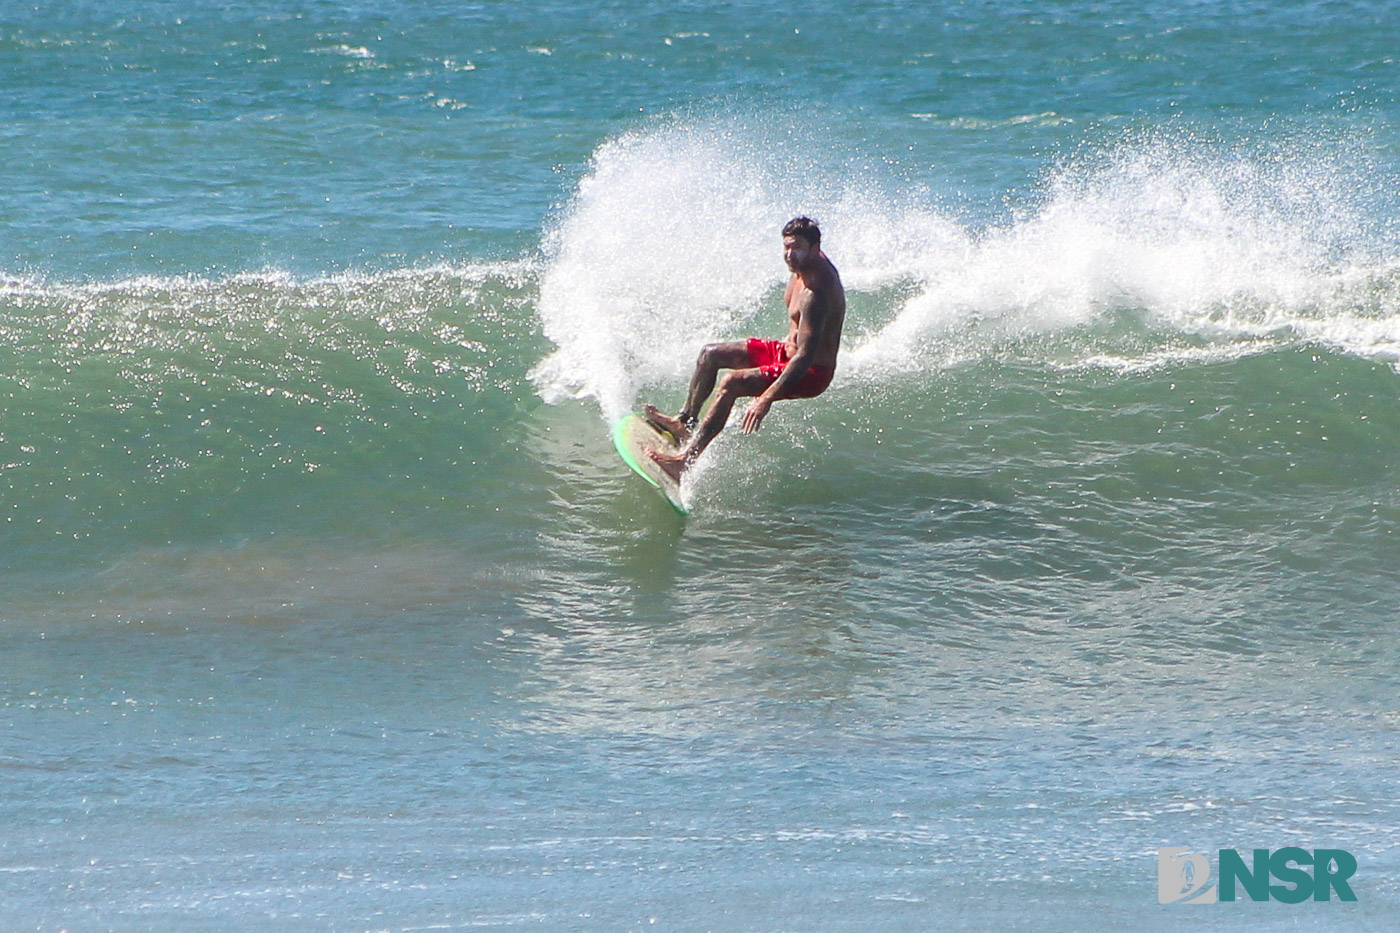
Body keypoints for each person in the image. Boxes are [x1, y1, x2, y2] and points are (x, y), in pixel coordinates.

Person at [645, 216, 846, 482]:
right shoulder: (800, 267)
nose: (789, 255)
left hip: (811, 371)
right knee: (710, 354)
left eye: (797, 248)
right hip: (787, 354)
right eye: (786, 247)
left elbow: (806, 356)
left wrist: (766, 399)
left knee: (732, 383)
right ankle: (685, 423)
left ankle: (685, 462)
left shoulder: (816, 292)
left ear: (815, 247)